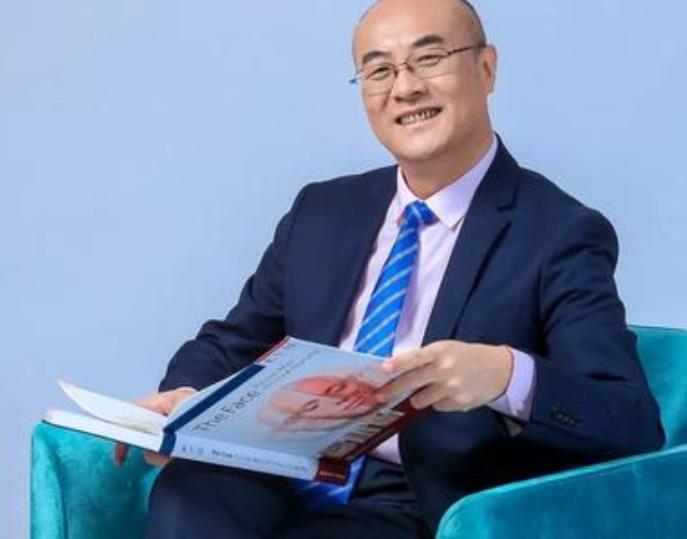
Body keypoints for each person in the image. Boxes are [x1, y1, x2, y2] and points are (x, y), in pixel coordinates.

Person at [116, 0, 665, 537]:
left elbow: (630, 420)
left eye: (429, 59)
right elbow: (234, 340)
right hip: (278, 469)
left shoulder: (559, 232)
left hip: (410, 498)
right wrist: (184, 396)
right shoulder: (321, 210)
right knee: (190, 494)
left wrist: (504, 375)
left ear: (486, 68)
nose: (405, 88)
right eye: (379, 70)